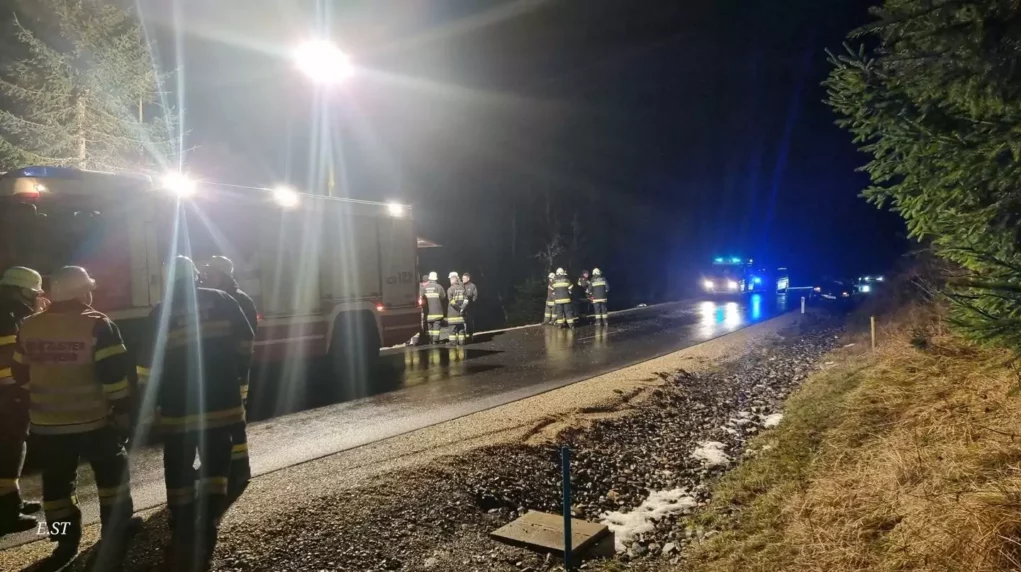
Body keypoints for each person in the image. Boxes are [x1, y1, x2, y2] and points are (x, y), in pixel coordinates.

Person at [14, 266, 138, 567]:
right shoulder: (97, 324)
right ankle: (116, 530)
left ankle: (63, 539)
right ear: (84, 290)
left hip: (47, 425)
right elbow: (114, 378)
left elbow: (20, 375)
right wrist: (122, 411)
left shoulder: (29, 326)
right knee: (112, 477)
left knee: (56, 486)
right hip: (95, 420)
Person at [138, 256, 253, 567]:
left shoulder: (161, 312)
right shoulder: (222, 300)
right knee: (217, 461)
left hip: (178, 408)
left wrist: (147, 401)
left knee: (177, 464)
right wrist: (236, 371)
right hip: (221, 402)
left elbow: (149, 365)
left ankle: (182, 519)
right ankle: (210, 516)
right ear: (197, 276)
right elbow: (246, 341)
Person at [199, 255, 256, 502]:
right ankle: (220, 466)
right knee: (218, 420)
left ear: (224, 275)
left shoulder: (240, 300)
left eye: (212, 272)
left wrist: (238, 368)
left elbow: (247, 337)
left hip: (234, 371)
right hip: (218, 372)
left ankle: (240, 469)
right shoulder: (211, 299)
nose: (206, 275)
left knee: (235, 420)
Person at [0, 267, 45, 536]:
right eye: (34, 292)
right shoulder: (13, 313)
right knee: (9, 450)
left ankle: (12, 501)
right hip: (8, 394)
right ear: (24, 290)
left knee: (11, 449)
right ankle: (7, 515)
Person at [421, 272, 446, 345]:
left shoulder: (424, 288)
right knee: (436, 327)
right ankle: (435, 341)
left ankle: (431, 339)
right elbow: (443, 297)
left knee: (430, 327)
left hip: (428, 313)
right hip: (437, 312)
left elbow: (421, 299)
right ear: (436, 278)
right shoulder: (439, 287)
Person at [446, 272, 467, 346]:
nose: (450, 280)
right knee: (461, 329)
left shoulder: (450, 289)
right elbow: (466, 300)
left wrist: (458, 308)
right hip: (461, 314)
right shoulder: (463, 288)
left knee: (452, 330)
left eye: (450, 279)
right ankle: (462, 342)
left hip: (453, 314)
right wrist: (462, 308)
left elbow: (451, 302)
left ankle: (452, 343)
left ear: (453, 279)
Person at [461, 273, 478, 341]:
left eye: (464, 278)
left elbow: (475, 296)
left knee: (470, 321)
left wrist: (471, 303)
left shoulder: (472, 286)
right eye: (462, 278)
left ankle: (470, 334)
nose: (463, 280)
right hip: (462, 306)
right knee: (463, 321)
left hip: (470, 307)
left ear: (468, 278)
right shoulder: (461, 286)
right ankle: (463, 334)